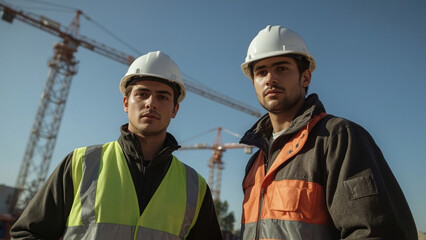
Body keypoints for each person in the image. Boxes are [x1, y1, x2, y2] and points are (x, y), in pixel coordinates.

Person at [10, 51, 223, 240]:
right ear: (125, 103)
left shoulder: (194, 187)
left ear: (175, 109)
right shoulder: (81, 163)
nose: (151, 102)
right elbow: (27, 233)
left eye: (162, 96)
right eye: (142, 94)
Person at [239, 25, 418, 240]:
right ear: (254, 83)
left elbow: (375, 232)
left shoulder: (337, 138)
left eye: (282, 68)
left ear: (305, 78)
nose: (270, 79)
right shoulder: (256, 162)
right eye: (261, 72)